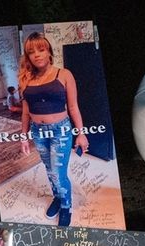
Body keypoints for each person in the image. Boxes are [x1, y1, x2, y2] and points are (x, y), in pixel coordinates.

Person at [18, 32, 89, 227]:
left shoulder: (63, 74)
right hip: (38, 132)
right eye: (31, 52)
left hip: (61, 131)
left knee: (58, 172)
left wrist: (81, 134)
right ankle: (58, 197)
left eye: (41, 49)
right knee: (49, 170)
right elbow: (25, 112)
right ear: (28, 56)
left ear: (48, 51)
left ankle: (66, 205)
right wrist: (23, 137)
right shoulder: (25, 79)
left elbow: (73, 107)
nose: (37, 55)